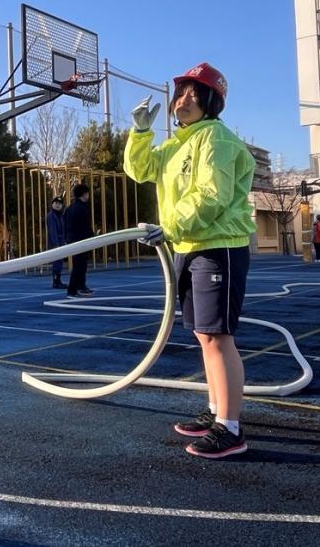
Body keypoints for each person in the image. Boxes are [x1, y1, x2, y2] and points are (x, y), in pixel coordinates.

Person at [124, 62, 255, 459]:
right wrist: (140, 133)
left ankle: (230, 428)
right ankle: (217, 412)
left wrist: (171, 226)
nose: (182, 101)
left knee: (217, 337)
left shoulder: (216, 140)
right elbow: (140, 169)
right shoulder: (178, 142)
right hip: (189, 246)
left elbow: (211, 197)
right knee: (203, 335)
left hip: (218, 247)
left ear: (211, 102)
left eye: (193, 95)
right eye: (179, 93)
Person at [62, 183, 94, 298]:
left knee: (80, 264)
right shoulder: (82, 209)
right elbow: (85, 226)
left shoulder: (69, 209)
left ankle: (81, 286)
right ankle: (72, 289)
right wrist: (92, 237)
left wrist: (66, 239)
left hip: (71, 240)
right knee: (79, 265)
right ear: (84, 194)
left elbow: (64, 225)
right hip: (81, 240)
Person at [46, 196, 67, 289]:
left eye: (60, 204)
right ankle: (56, 281)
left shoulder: (60, 215)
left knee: (59, 262)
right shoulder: (51, 216)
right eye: (56, 203)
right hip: (56, 242)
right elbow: (52, 230)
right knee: (57, 262)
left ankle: (58, 280)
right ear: (52, 204)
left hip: (61, 242)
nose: (58, 205)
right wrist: (56, 244)